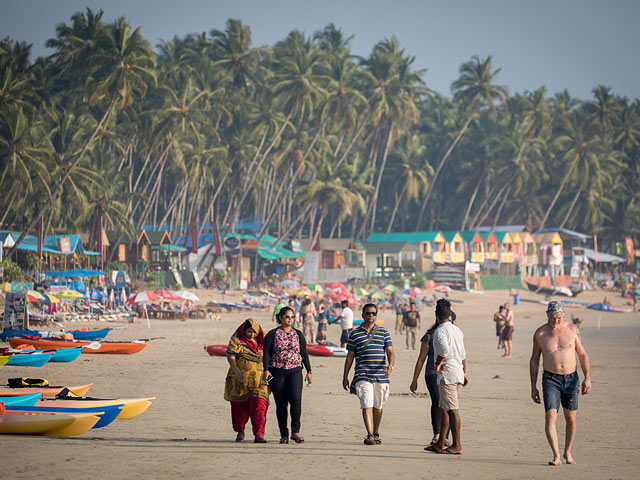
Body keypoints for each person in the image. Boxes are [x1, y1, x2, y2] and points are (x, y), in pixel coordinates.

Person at [530, 301, 591, 466]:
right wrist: (533, 386)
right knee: (551, 415)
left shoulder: (572, 329)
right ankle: (556, 455)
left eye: (558, 318)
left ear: (563, 315)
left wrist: (587, 378)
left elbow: (582, 354)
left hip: (571, 379)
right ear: (547, 314)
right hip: (550, 379)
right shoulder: (540, 334)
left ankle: (567, 452)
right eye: (552, 317)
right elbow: (535, 360)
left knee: (570, 418)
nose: (555, 321)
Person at [342, 303, 394, 445]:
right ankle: (370, 434)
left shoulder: (384, 332)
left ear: (376, 315)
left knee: (378, 406)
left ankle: (376, 432)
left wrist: (390, 365)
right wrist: (345, 376)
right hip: (362, 374)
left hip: (381, 375)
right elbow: (350, 357)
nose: (371, 316)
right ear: (363, 315)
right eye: (368, 313)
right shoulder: (354, 334)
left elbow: (390, 351)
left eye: (373, 313)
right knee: (366, 403)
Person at [263, 306, 312, 444]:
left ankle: (295, 432)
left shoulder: (298, 334)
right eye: (287, 316)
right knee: (281, 404)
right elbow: (266, 352)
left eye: (292, 317)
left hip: (295, 371)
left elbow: (304, 353)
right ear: (280, 318)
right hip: (277, 371)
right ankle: (284, 434)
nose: (290, 319)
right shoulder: (273, 334)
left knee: (296, 401)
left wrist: (309, 371)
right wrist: (266, 369)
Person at [426, 298, 468, 455]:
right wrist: (464, 372)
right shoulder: (457, 330)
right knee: (444, 408)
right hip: (457, 372)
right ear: (450, 315)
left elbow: (443, 349)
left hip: (448, 374)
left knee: (452, 410)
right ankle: (440, 443)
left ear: (436, 315)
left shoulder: (440, 331)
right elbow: (463, 354)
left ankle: (457, 445)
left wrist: (438, 361)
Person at [410, 309, 452, 448]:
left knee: (447, 404)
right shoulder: (430, 336)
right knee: (437, 401)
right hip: (432, 373)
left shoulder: (454, 335)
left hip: (449, 373)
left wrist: (463, 372)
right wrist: (414, 379)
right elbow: (421, 359)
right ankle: (437, 434)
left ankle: (445, 436)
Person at [224, 318, 270, 443]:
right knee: (239, 407)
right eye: (249, 332)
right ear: (243, 330)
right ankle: (240, 431)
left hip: (260, 380)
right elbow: (231, 356)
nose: (252, 335)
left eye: (254, 332)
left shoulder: (265, 340)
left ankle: (259, 434)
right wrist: (237, 372)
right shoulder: (236, 340)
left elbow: (273, 354)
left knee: (260, 406)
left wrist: (265, 355)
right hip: (240, 380)